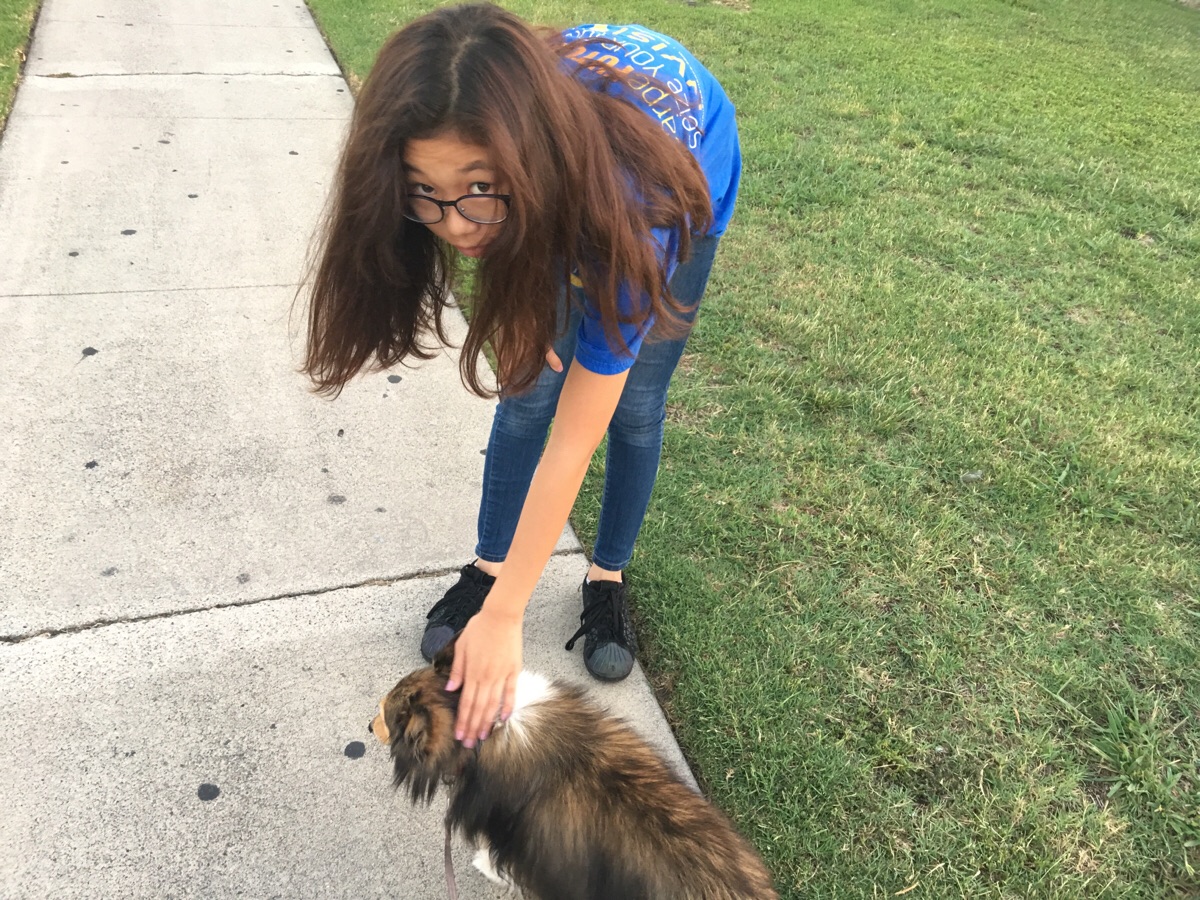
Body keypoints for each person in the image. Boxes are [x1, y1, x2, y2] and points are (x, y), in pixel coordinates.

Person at [303, 2, 740, 750]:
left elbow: (575, 442)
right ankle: (488, 564)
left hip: (675, 184)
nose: (454, 226)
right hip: (552, 187)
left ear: (523, 157)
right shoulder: (481, 169)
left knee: (633, 405)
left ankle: (606, 577)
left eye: (478, 186)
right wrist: (524, 287)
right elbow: (484, 211)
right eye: (422, 191)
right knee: (527, 391)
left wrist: (508, 619)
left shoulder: (642, 213)